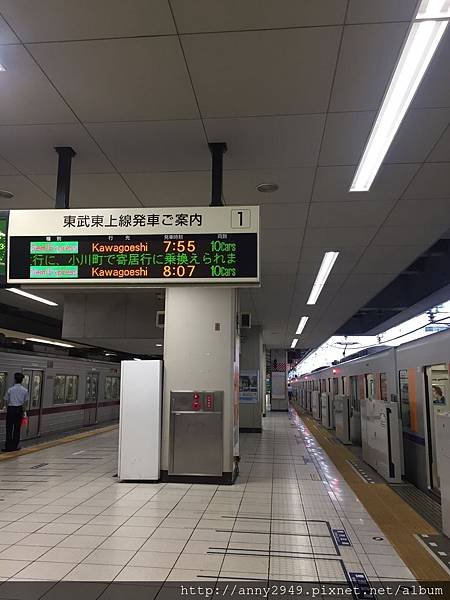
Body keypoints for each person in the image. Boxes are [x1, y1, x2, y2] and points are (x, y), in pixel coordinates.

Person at [2, 373, 28, 452]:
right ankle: (15, 446)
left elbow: (6, 400)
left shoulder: (10, 389)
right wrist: (24, 411)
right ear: (22, 380)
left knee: (9, 428)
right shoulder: (25, 390)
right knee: (17, 429)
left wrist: (7, 407)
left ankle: (8, 447)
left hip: (11, 409)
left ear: (15, 380)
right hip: (19, 410)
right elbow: (25, 403)